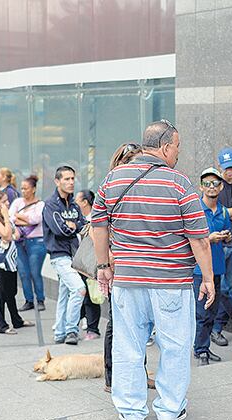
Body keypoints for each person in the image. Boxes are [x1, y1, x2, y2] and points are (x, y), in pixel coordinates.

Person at [92, 120, 214, 420]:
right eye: (177, 148)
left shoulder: (112, 179)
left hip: (128, 279)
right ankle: (169, 410)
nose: (177, 154)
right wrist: (209, 278)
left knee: (128, 344)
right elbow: (198, 237)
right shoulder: (178, 183)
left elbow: (98, 224)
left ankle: (131, 411)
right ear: (165, 147)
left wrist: (103, 266)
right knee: (174, 346)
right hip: (171, 281)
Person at [99, 142, 143, 393]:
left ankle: (138, 372)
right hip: (117, 266)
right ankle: (111, 377)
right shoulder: (111, 186)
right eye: (134, 163)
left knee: (138, 324)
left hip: (136, 265)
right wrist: (108, 259)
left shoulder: (139, 187)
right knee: (116, 323)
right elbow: (97, 228)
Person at [43, 165, 86, 345]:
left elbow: (82, 225)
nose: (70, 182)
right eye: (66, 179)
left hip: (73, 254)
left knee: (65, 294)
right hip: (59, 255)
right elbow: (59, 229)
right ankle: (71, 330)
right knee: (79, 289)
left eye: (72, 179)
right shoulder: (50, 204)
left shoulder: (74, 204)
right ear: (57, 181)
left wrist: (73, 224)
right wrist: (73, 226)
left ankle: (60, 333)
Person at [193, 167, 232, 364]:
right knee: (201, 312)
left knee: (212, 312)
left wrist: (226, 237)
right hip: (199, 270)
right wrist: (209, 239)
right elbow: (191, 241)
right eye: (207, 183)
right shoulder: (196, 211)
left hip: (217, 268)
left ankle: (205, 348)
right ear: (201, 187)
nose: (211, 187)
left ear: (221, 186)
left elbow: (226, 234)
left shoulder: (224, 211)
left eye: (215, 183)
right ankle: (199, 350)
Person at [0, 190, 35, 335]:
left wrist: (9, 233)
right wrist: (7, 219)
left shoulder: (2, 217)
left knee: (11, 291)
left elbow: (16, 234)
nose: (8, 203)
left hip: (10, 260)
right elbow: (7, 234)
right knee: (1, 293)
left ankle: (16, 320)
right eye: (4, 201)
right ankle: (1, 325)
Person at [210, 146, 232, 347]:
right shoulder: (215, 187)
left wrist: (228, 212)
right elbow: (216, 213)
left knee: (229, 288)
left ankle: (217, 328)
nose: (229, 171)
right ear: (220, 166)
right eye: (226, 168)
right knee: (219, 289)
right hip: (219, 245)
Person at [10, 175, 47, 311]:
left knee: (34, 271)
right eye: (22, 188)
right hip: (20, 241)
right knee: (23, 272)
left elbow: (36, 219)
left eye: (26, 188)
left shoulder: (40, 204)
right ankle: (28, 299)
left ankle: (40, 299)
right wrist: (24, 219)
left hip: (36, 242)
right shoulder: (17, 202)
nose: (24, 191)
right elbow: (10, 217)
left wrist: (19, 217)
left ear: (34, 189)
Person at [75, 189, 101, 341]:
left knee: (92, 296)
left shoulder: (94, 220)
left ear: (85, 202)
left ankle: (93, 328)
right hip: (80, 263)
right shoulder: (80, 219)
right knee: (82, 294)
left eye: (77, 200)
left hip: (92, 263)